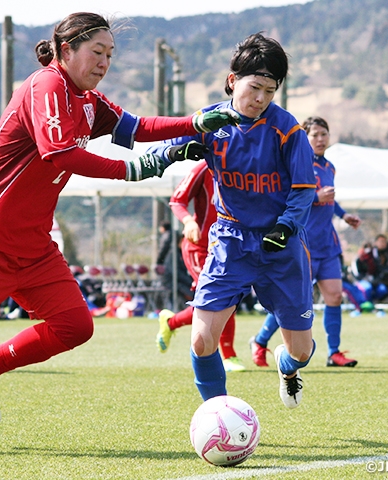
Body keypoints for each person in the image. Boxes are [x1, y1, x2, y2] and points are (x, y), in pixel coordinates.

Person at [0, 12, 240, 452]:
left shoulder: (88, 100)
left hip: (32, 243)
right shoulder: (46, 86)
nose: (105, 62)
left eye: (110, 54)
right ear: (66, 50)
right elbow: (60, 154)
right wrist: (135, 168)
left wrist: (197, 123)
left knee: (75, 325)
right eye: (97, 52)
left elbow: (137, 127)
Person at [148, 32, 316, 409]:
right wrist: (177, 148)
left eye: (270, 91)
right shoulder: (211, 121)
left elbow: (304, 190)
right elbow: (160, 150)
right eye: (255, 87)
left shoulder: (288, 131)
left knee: (302, 350)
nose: (260, 98)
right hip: (230, 241)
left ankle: (287, 366)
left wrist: (286, 226)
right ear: (232, 81)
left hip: (281, 247)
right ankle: (220, 416)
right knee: (201, 340)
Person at [249, 116, 361, 369]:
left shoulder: (329, 167)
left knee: (334, 296)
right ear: (305, 138)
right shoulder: (295, 162)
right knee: (294, 302)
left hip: (328, 244)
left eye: (324, 134)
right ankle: (260, 340)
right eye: (315, 135)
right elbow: (289, 197)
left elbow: (329, 199)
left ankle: (333, 353)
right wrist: (316, 196)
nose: (320, 139)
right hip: (302, 242)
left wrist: (344, 215)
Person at [156, 161, 246, 373]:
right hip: (199, 247)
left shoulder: (244, 163)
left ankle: (171, 323)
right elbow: (177, 200)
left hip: (228, 246)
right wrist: (188, 221)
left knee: (224, 299)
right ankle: (229, 356)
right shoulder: (204, 167)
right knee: (221, 297)